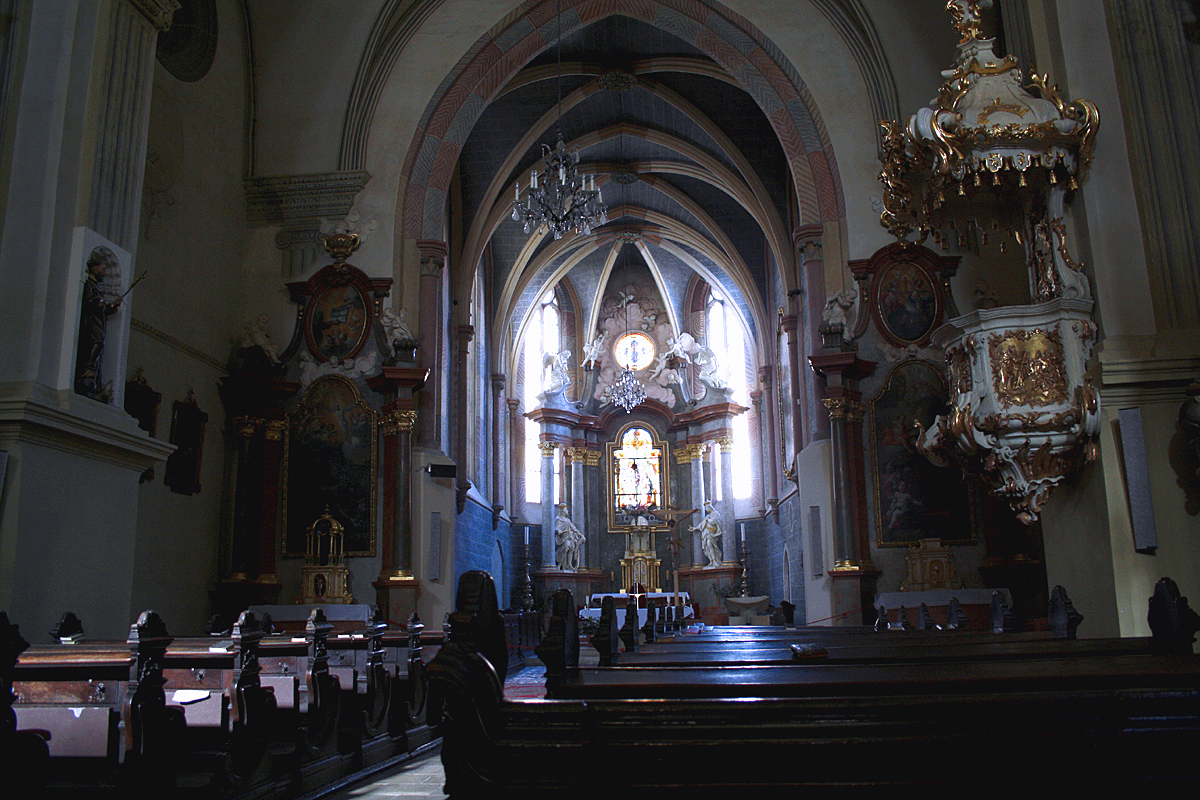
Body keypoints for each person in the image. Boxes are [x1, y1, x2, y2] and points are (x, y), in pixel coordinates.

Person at [75, 248, 122, 400]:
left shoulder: (98, 289)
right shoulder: (89, 285)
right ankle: (87, 368)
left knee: (99, 343)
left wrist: (112, 307)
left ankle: (91, 369)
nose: (104, 273)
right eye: (102, 269)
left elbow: (102, 309)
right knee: (96, 342)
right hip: (90, 324)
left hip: (98, 323)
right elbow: (91, 301)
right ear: (94, 268)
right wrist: (103, 304)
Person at [691, 500, 723, 568]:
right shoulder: (708, 516)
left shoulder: (715, 513)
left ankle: (715, 561)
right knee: (707, 546)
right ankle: (712, 561)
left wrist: (708, 520)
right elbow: (702, 524)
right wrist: (694, 528)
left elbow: (714, 522)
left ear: (709, 507)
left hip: (711, 533)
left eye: (706, 508)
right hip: (706, 533)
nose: (706, 509)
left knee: (710, 545)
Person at [554, 503, 584, 571]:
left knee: (572, 548)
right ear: (563, 511)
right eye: (566, 510)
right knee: (566, 548)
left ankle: (569, 564)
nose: (567, 511)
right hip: (564, 538)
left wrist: (581, 535)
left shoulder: (567, 520)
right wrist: (558, 531)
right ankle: (560, 564)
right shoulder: (558, 519)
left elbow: (574, 529)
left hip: (570, 537)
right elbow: (556, 528)